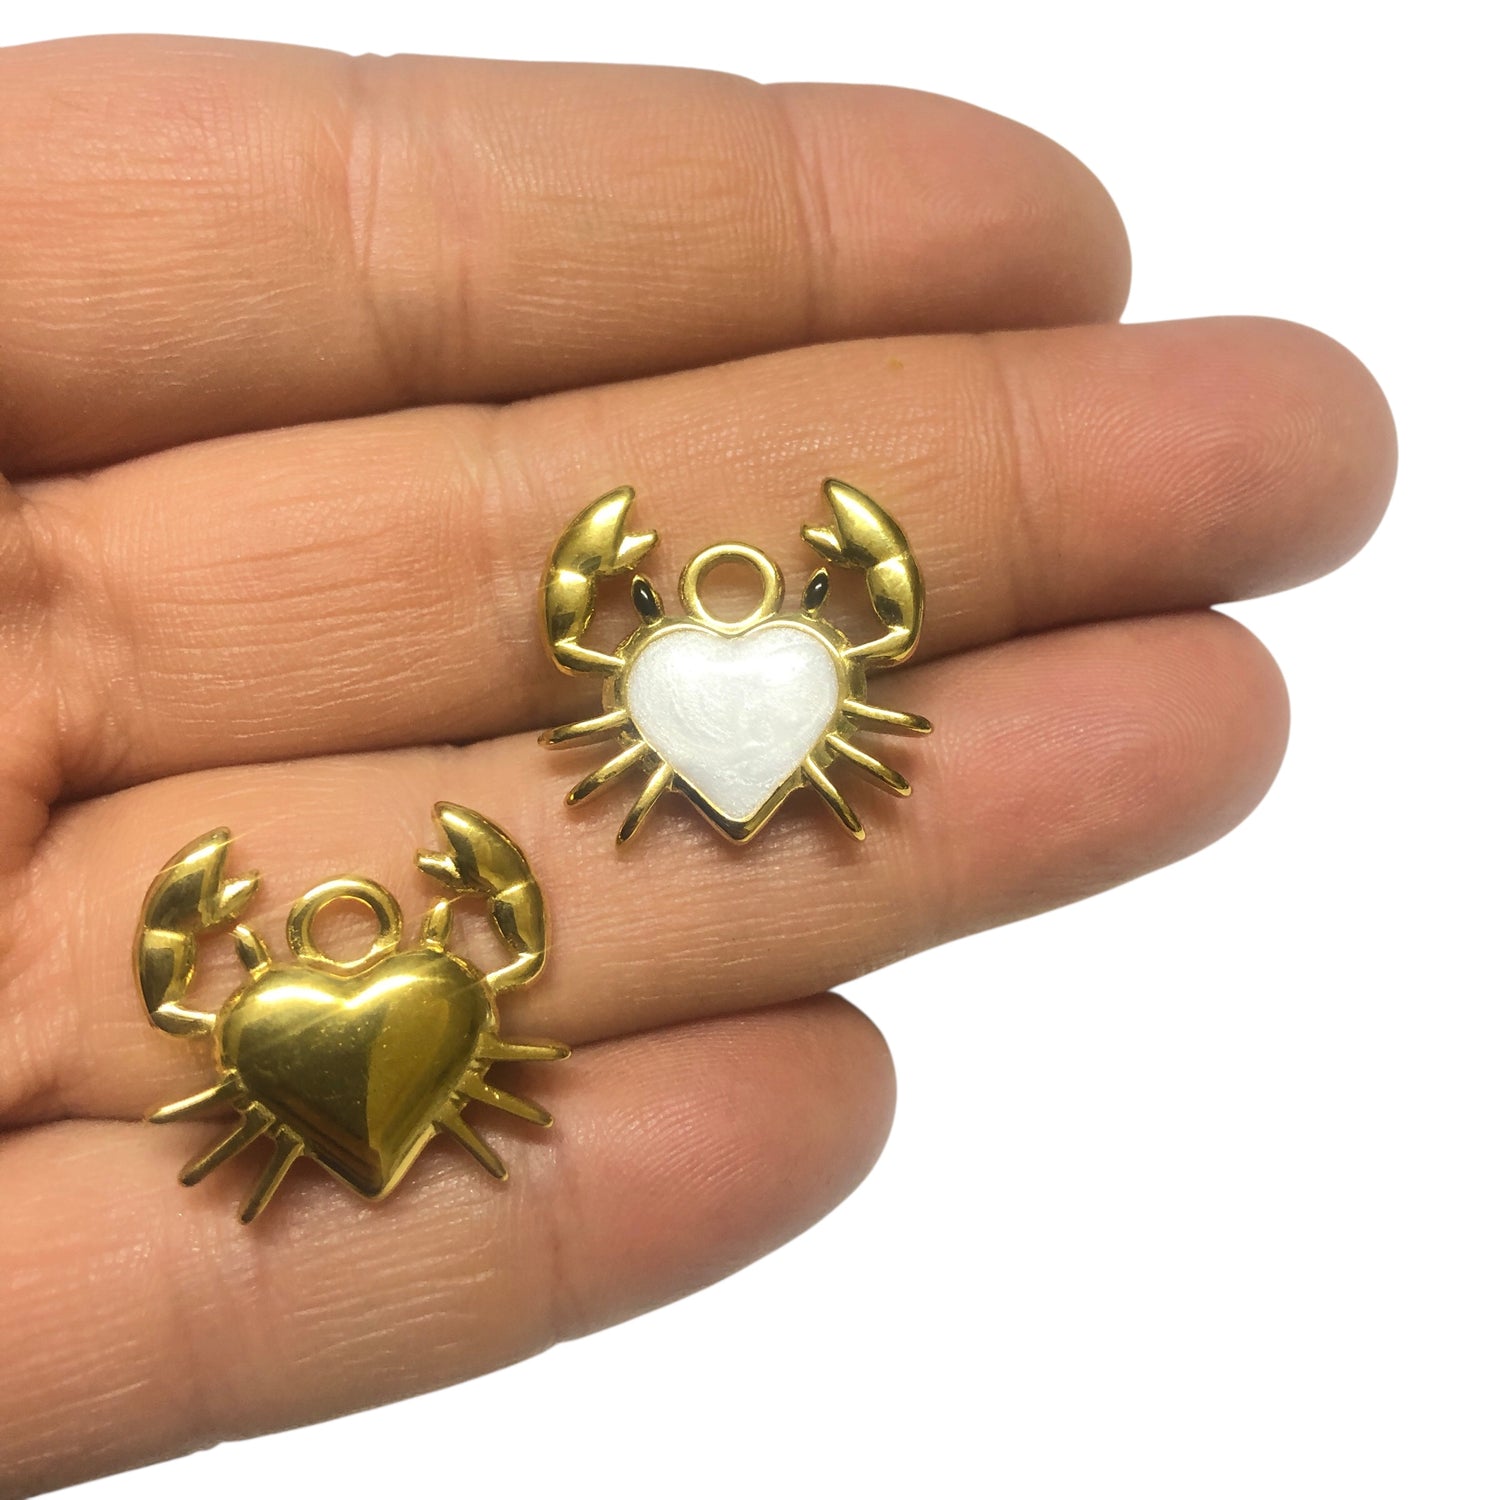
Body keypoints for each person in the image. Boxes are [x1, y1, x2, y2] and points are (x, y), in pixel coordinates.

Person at [0, 34, 1395, 1495]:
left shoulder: (701, 681)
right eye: (659, 607)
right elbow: (520, 906)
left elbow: (676, 672)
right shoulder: (493, 912)